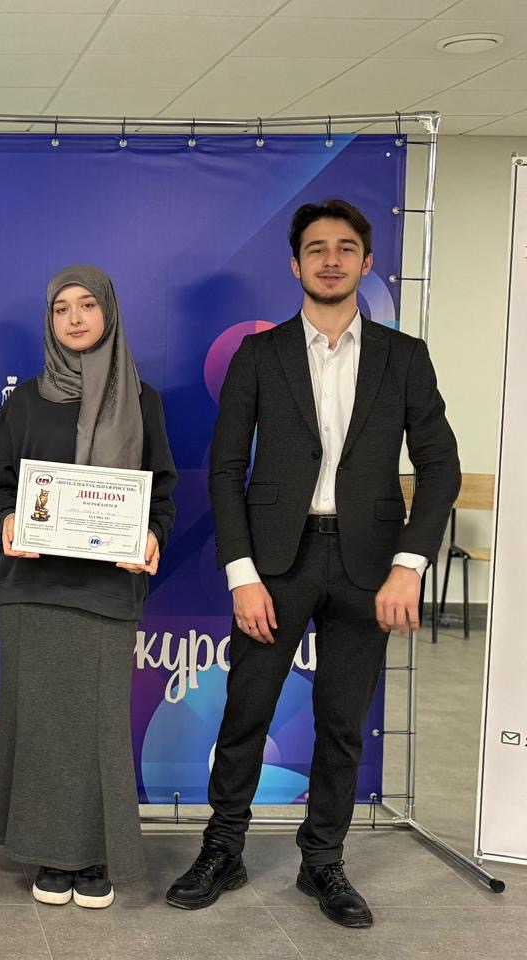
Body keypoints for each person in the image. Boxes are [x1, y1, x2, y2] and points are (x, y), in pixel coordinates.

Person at [165, 199, 461, 928]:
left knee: (342, 723)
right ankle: (222, 849)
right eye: (318, 249)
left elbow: (440, 467)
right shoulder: (258, 355)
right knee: (246, 713)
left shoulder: (404, 357)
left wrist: (409, 565)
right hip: (275, 564)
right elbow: (225, 469)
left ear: (366, 262)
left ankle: (323, 860)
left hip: (371, 566)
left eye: (346, 247)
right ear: (296, 265)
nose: (332, 259)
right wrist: (242, 575)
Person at [0, 264, 177, 909]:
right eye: (62, 309)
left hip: (106, 593)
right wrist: (8, 522)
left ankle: (94, 857)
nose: (76, 318)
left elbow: (162, 493)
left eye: (88, 305)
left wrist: (152, 535)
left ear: (108, 312)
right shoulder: (27, 402)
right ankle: (48, 855)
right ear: (50, 322)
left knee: (97, 729)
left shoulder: (142, 401)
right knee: (39, 728)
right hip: (32, 591)